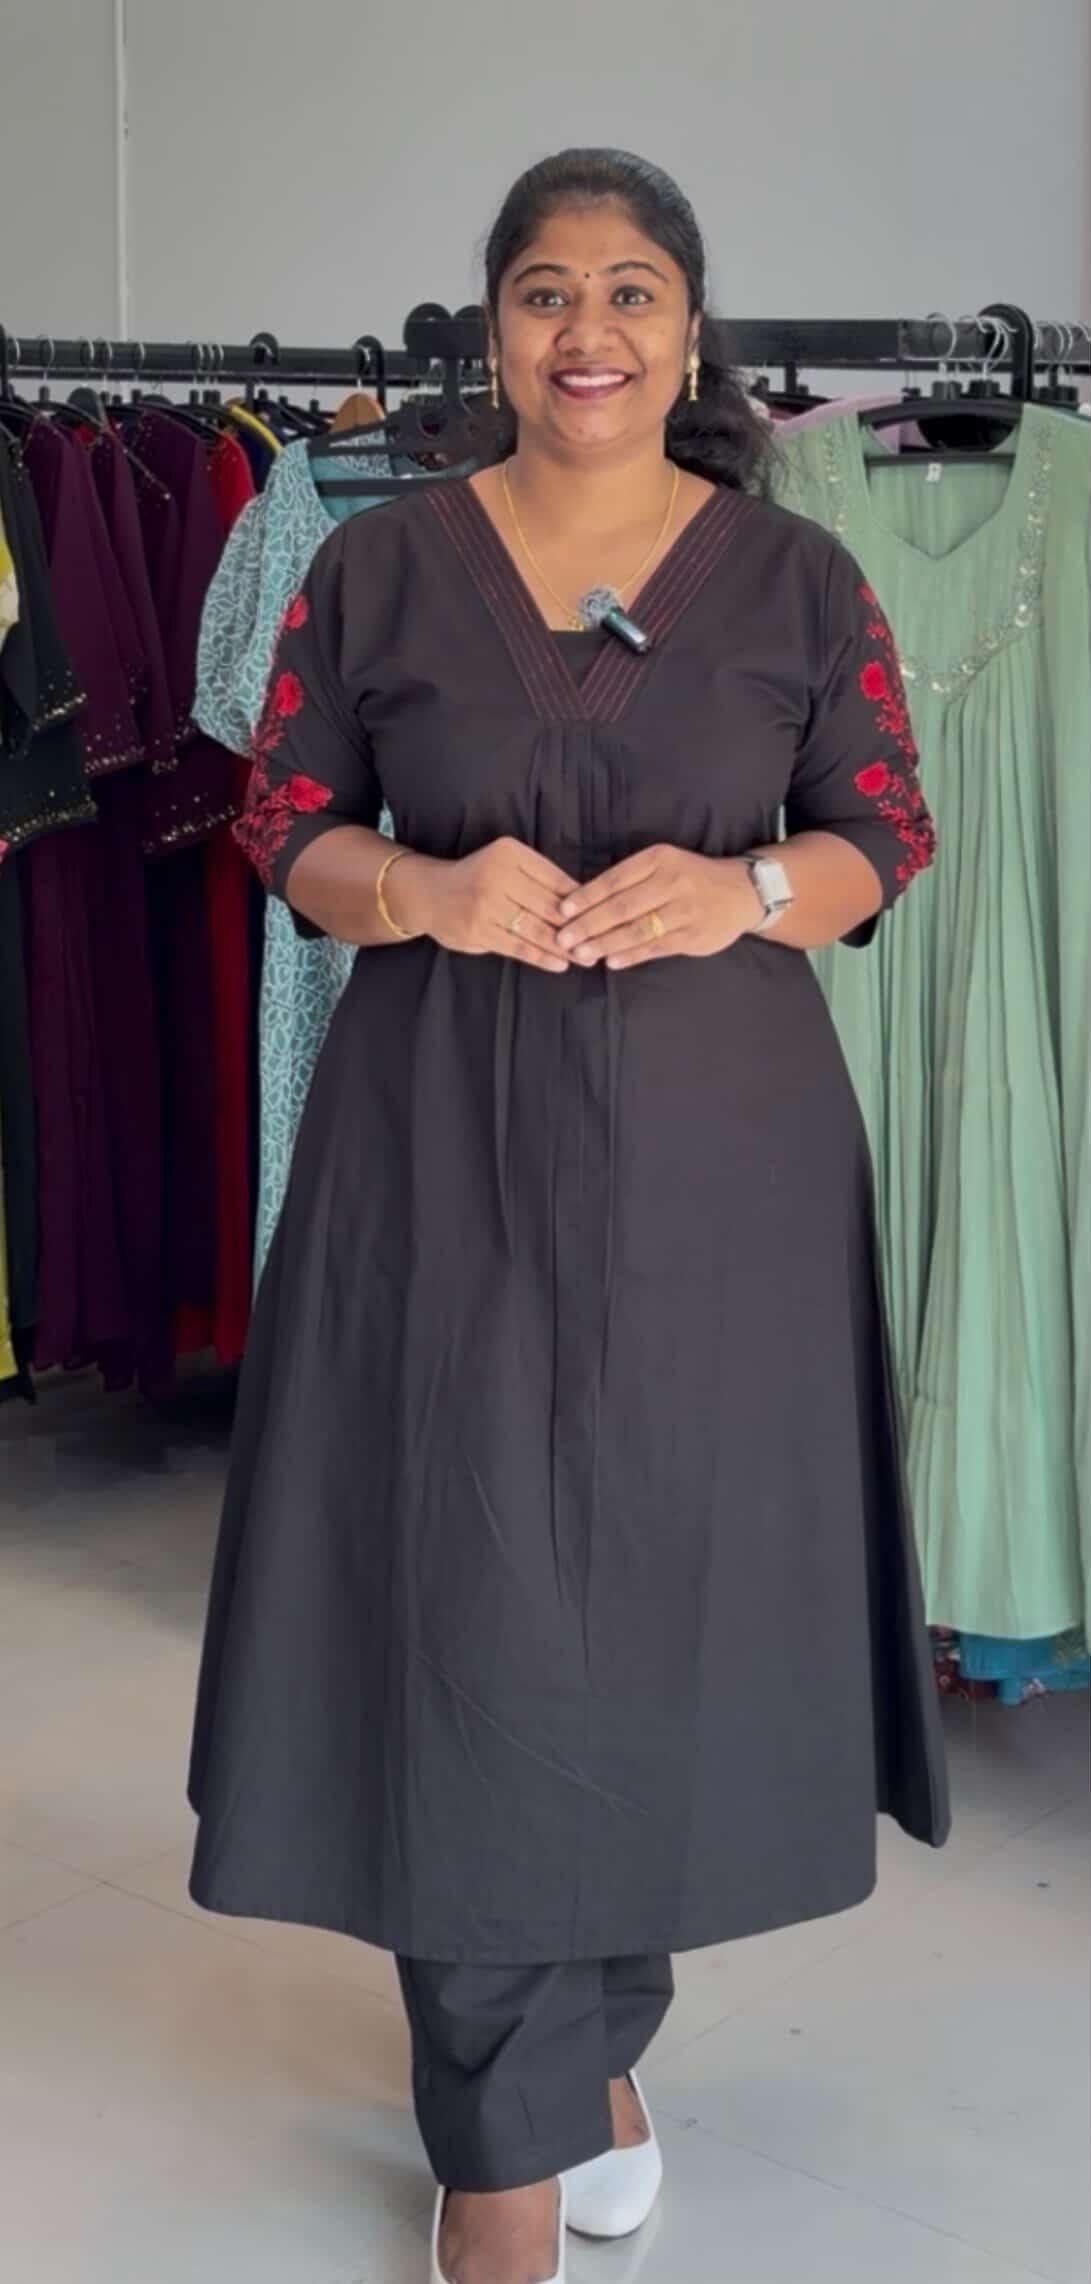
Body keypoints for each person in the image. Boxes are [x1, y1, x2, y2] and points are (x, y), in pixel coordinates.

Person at [186, 148, 950, 2284]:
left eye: (629, 290)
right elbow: (282, 817)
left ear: (690, 333)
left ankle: (593, 2042)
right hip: (440, 1149)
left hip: (723, 1167)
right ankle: (505, 2142)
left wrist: (750, 886)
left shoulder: (796, 580)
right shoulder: (381, 564)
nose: (585, 328)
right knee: (472, 1602)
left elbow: (885, 828)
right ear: (495, 330)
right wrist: (420, 887)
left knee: (665, 1611)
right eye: (542, 290)